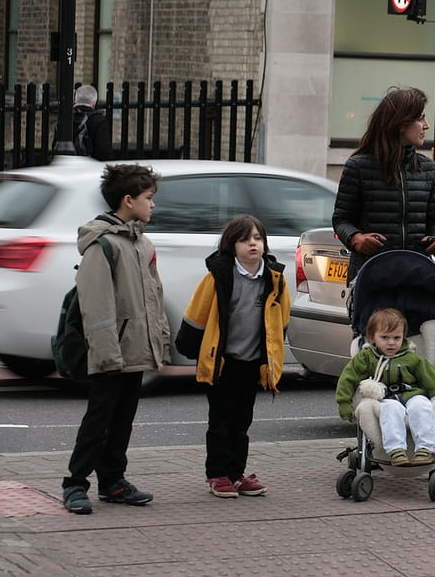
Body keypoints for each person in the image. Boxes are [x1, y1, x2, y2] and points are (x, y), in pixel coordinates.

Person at [61, 163, 170, 514]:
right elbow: (97, 306)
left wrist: (160, 341)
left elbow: (154, 296)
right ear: (128, 200)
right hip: (112, 354)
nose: (153, 205)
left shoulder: (142, 243)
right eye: (148, 198)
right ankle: (75, 483)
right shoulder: (102, 246)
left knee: (122, 421)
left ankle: (112, 481)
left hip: (136, 349)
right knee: (99, 420)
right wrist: (107, 355)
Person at [175, 214, 291, 499]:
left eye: (257, 238)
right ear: (231, 244)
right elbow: (197, 314)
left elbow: (281, 319)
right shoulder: (219, 276)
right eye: (245, 239)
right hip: (222, 362)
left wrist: (272, 354)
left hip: (252, 362)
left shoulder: (274, 278)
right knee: (220, 421)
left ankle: (237, 473)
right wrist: (190, 349)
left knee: (242, 422)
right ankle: (217, 473)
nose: (252, 244)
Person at [332, 86, 435, 283]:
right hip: (372, 278)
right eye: (420, 118)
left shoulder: (427, 168)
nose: (426, 125)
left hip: (417, 277)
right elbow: (341, 220)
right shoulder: (358, 166)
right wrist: (356, 239)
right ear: (401, 124)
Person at [335, 307, 435, 466]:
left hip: (413, 394)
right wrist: (344, 404)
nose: (391, 342)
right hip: (386, 397)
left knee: (422, 406)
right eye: (385, 337)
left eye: (397, 338)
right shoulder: (367, 357)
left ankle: (425, 448)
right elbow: (348, 378)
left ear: (403, 337)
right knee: (390, 410)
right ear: (372, 337)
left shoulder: (411, 358)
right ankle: (396, 450)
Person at [54, 85, 111, 160]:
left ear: (76, 100)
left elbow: (55, 147)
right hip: (89, 167)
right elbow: (104, 152)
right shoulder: (99, 120)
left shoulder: (65, 118)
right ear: (94, 103)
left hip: (66, 165)